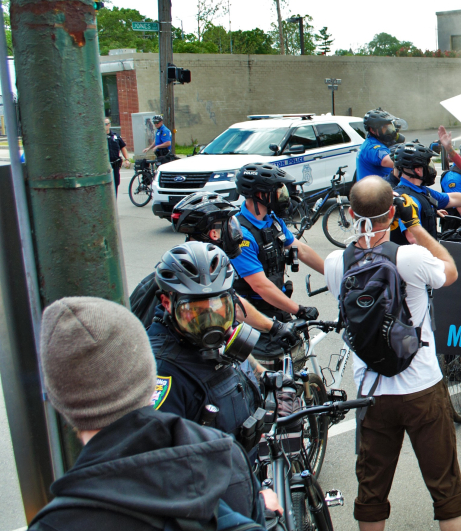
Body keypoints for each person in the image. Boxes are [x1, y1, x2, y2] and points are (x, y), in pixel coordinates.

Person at [30, 297, 275, 530]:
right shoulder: (225, 455)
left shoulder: (55, 523)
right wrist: (266, 512)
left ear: (56, 399)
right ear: (149, 378)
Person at [323, 176, 461, 531]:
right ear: (392, 213)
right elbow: (451, 272)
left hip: (372, 391)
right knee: (446, 490)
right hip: (421, 387)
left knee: (371, 494)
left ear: (350, 212)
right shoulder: (412, 257)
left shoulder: (335, 263)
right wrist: (415, 225)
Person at [128, 192, 297, 350]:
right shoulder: (199, 276)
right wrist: (275, 327)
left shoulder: (184, 266)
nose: (236, 233)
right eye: (230, 226)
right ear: (214, 233)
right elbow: (234, 305)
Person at [148, 242, 265, 446]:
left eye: (218, 305)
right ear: (167, 303)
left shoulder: (219, 336)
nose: (211, 323)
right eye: (194, 311)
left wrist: (267, 380)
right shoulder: (161, 372)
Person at [230, 162, 325, 364]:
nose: (284, 196)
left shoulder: (271, 221)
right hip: (255, 315)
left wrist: (336, 274)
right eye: (278, 190)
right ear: (260, 194)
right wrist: (298, 309)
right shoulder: (241, 234)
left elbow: (302, 250)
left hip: (279, 309)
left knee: (298, 361)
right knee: (272, 372)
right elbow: (260, 286)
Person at [389, 142, 461, 243]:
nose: (430, 169)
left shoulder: (421, 191)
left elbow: (452, 198)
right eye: (428, 164)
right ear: (418, 170)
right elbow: (414, 238)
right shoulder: (408, 199)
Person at [356, 109, 404, 182]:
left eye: (390, 126)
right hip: (374, 191)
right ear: (372, 130)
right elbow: (390, 161)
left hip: (381, 187)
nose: (389, 130)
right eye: (385, 128)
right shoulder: (372, 147)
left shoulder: (379, 142)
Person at [105, 117, 131, 194]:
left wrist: (127, 159)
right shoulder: (100, 138)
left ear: (109, 125)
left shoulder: (115, 136)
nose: (105, 126)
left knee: (115, 183)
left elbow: (123, 147)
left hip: (115, 165)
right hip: (105, 166)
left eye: (106, 124)